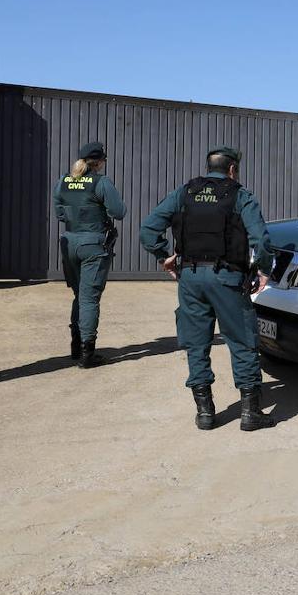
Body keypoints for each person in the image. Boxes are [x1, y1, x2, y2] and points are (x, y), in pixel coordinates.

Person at [139, 146, 278, 431]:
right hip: (227, 278)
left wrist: (162, 256)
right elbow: (261, 240)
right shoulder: (240, 195)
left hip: (190, 278)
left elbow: (148, 229)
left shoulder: (185, 192)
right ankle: (250, 413)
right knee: (242, 341)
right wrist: (264, 270)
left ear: (208, 167)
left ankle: (205, 413)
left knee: (196, 344)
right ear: (232, 169)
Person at [53, 141, 127, 368]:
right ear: (99, 162)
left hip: (70, 241)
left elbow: (59, 211)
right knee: (89, 299)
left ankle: (76, 345)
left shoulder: (64, 181)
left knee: (79, 295)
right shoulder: (101, 182)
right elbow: (119, 212)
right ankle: (87, 353)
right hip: (93, 244)